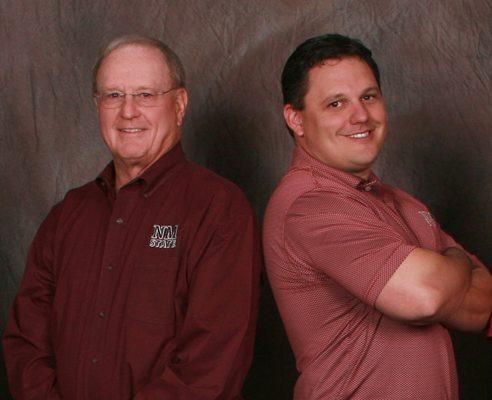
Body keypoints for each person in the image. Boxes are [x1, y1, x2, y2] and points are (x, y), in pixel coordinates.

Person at [3, 35, 261, 400]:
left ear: (180, 104)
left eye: (145, 95)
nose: (128, 111)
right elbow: (26, 341)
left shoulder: (218, 209)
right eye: (113, 96)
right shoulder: (67, 215)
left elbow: (212, 364)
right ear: (97, 106)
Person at [263, 33, 492, 400]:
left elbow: (483, 306)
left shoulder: (401, 202)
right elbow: (426, 297)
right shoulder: (309, 205)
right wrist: (456, 259)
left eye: (368, 97)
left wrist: (441, 275)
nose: (360, 115)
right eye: (336, 103)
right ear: (296, 118)